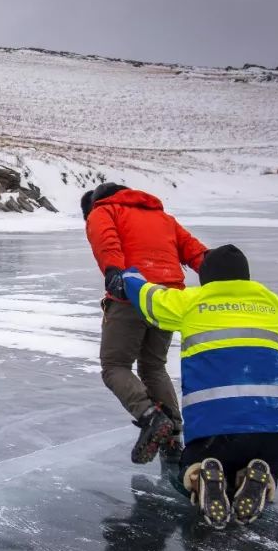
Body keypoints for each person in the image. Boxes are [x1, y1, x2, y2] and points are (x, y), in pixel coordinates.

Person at [120, 245, 278, 529]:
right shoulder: (271, 303)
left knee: (188, 468)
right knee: (274, 461)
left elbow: (149, 300)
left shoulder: (193, 301)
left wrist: (129, 274)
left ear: (207, 279)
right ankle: (261, 475)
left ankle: (199, 473)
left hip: (217, 428)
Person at [84, 183, 207, 464]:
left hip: (132, 295)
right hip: (166, 300)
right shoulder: (162, 218)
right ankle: (173, 437)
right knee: (153, 366)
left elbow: (106, 240)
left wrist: (114, 270)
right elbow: (195, 251)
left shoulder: (104, 210)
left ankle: (151, 417)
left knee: (115, 366)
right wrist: (219, 273)